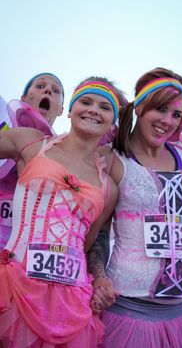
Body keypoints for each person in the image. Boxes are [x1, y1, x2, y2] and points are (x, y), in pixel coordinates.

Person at [87, 68, 182, 348]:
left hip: (181, 317)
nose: (168, 121)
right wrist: (100, 277)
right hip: (128, 312)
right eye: (161, 109)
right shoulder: (113, 160)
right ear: (140, 107)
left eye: (176, 114)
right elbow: (99, 232)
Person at [0, 77, 124, 347]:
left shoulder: (109, 188)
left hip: (69, 302)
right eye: (86, 101)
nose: (93, 109)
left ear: (112, 123)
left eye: (105, 107)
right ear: (69, 110)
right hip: (14, 289)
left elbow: (88, 242)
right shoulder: (31, 143)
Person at [0, 72, 64, 249]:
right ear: (23, 98)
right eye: (40, 86)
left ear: (61, 109)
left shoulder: (65, 152)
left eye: (56, 90)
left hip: (27, 251)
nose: (48, 90)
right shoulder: (3, 126)